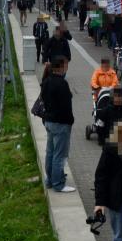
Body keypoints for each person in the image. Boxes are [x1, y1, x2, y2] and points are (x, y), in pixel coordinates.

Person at [41, 56, 75, 193]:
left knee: (50, 152)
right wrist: (70, 121)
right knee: (59, 155)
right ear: (61, 67)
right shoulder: (62, 84)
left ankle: (49, 180)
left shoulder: (46, 81)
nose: (67, 67)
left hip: (49, 121)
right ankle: (58, 183)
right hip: (61, 123)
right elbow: (66, 106)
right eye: (66, 65)